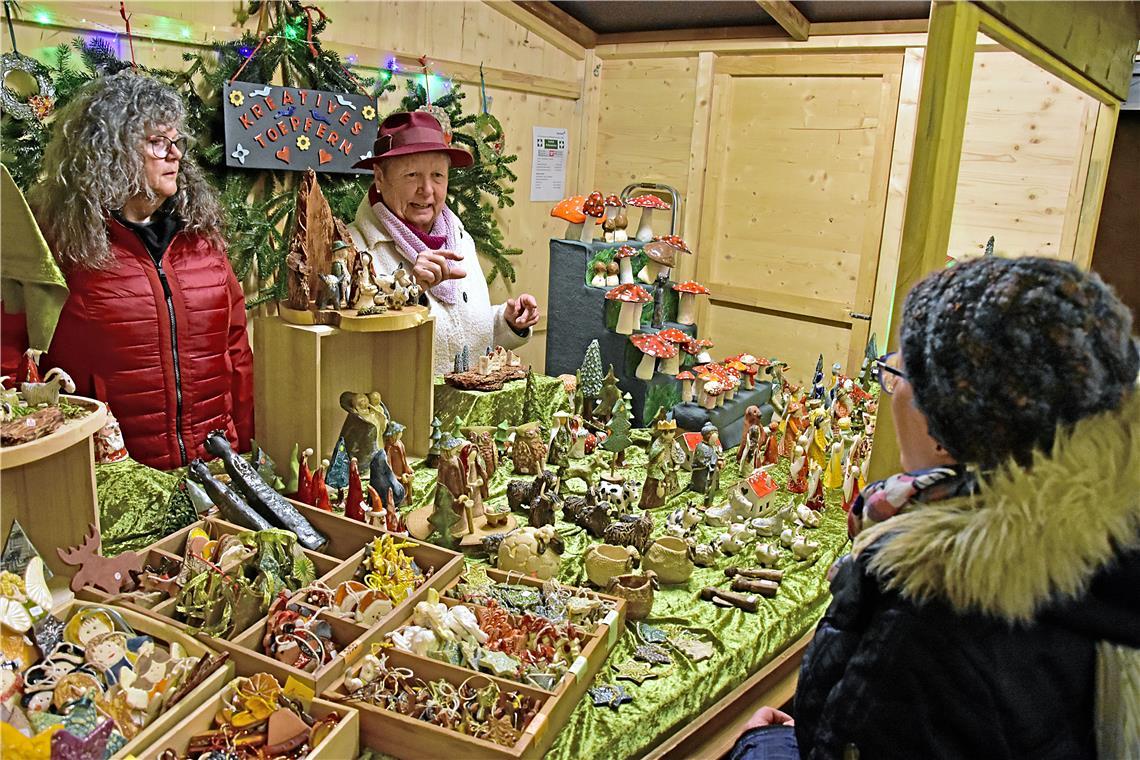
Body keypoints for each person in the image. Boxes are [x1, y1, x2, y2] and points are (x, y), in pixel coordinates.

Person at [731, 256, 1139, 759]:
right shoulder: (1103, 541)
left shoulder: (937, 612)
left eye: (899, 372)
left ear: (951, 423)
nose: (891, 388)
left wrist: (763, 746)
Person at [18, 71, 253, 470]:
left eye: (177, 142)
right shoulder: (59, 243)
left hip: (213, 466)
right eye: (158, 142)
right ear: (110, 151)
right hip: (112, 474)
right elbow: (23, 359)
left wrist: (244, 451)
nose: (175, 154)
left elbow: (236, 353)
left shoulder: (201, 240)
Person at [347, 111, 539, 374]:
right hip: (404, 399)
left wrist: (508, 322)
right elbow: (352, 349)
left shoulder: (459, 238)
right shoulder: (354, 250)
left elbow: (464, 332)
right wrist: (410, 292)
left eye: (437, 175)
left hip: (468, 397)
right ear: (380, 178)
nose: (427, 189)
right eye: (412, 175)